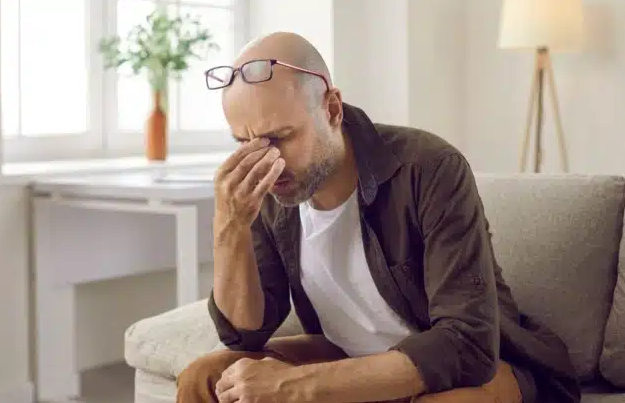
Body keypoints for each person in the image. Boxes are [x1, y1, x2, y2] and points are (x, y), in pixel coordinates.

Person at [176, 32, 580, 403]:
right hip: (350, 357)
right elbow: (245, 334)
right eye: (243, 142)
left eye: (281, 137)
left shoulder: (429, 167)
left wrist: (295, 386)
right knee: (204, 376)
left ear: (332, 108)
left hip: (465, 368)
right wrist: (230, 225)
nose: (267, 160)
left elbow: (466, 344)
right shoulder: (269, 186)